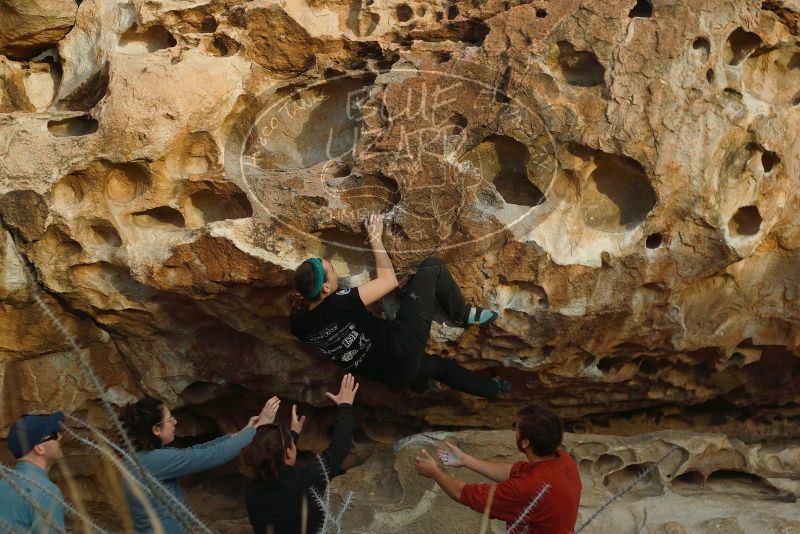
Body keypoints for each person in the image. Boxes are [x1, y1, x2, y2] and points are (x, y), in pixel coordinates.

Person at [290, 212, 510, 398]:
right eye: (332, 272)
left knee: (441, 369)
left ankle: (493, 388)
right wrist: (375, 237)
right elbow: (388, 281)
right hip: (401, 347)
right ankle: (461, 313)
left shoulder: (299, 326)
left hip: (388, 375)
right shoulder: (339, 302)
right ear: (326, 289)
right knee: (432, 267)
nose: (335, 272)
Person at [121, 395, 281, 533]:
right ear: (156, 429)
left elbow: (197, 450)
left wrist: (246, 430)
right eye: (170, 419)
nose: (175, 422)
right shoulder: (153, 461)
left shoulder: (142, 457)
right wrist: (258, 429)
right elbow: (209, 455)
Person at [413, 404, 581, 534]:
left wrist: (434, 471)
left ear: (525, 442)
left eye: (517, 428)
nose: (514, 431)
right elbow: (513, 471)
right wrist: (466, 460)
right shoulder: (563, 461)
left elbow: (464, 494)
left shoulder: (528, 487)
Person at [241, 374, 358, 534]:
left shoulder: (252, 495)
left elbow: (277, 464)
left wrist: (292, 437)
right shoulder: (307, 479)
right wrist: (345, 405)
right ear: (289, 452)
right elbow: (340, 447)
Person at [0, 412, 67, 534]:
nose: (60, 436)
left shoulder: (3, 484)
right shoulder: (46, 491)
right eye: (53, 434)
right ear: (39, 448)